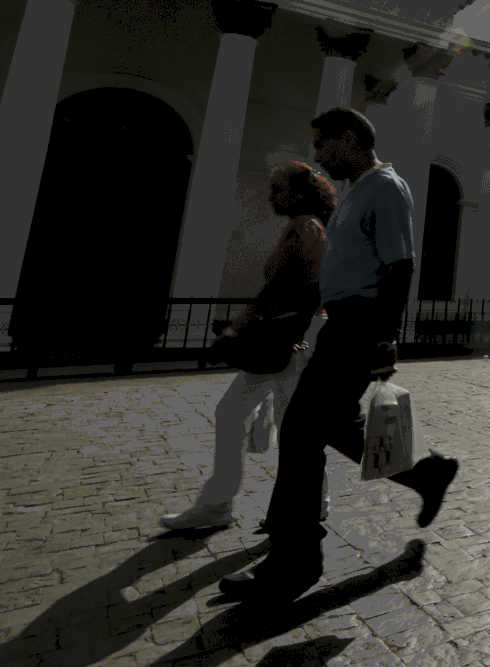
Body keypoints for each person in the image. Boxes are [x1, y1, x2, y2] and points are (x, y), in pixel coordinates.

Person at [220, 108, 460, 601]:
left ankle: (293, 562)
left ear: (350, 138)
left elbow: (400, 266)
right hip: (343, 325)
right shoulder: (357, 191)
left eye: (322, 145)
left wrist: (384, 336)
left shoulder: (386, 187)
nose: (317, 156)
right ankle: (427, 473)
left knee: (301, 432)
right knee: (330, 427)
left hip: (360, 325)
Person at [161, 162, 334, 531]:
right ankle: (305, 501)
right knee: (268, 419)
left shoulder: (302, 227)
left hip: (291, 338)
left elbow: (277, 291)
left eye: (278, 189)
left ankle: (223, 504)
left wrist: (236, 329)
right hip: (296, 335)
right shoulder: (311, 228)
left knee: (263, 419)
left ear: (300, 193)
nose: (271, 196)